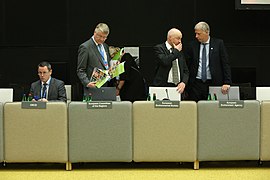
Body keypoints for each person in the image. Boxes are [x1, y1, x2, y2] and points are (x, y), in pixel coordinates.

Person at [185, 21, 232, 101]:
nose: (196, 36)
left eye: (199, 34)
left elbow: (225, 63)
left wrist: (227, 82)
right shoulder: (192, 45)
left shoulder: (218, 44)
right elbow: (187, 65)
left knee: (212, 109)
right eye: (195, 33)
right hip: (196, 84)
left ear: (207, 32)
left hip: (213, 83)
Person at [152, 28, 189, 97]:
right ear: (170, 38)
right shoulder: (159, 48)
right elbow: (165, 61)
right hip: (163, 86)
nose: (180, 41)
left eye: (181, 39)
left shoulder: (179, 51)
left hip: (178, 87)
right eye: (178, 38)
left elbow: (185, 71)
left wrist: (183, 82)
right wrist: (176, 51)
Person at [77, 23, 112, 95]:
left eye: (104, 37)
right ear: (94, 33)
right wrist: (87, 83)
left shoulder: (105, 46)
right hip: (91, 88)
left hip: (105, 86)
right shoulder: (85, 47)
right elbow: (80, 70)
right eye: (100, 36)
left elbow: (105, 64)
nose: (102, 39)